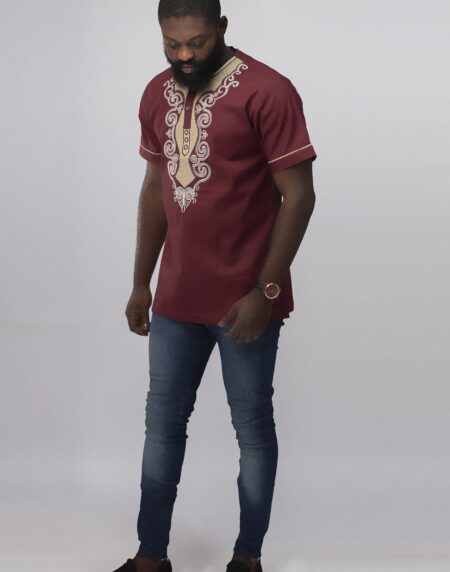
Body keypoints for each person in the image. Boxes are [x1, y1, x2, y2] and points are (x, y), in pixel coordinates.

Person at [116, 1, 317, 571]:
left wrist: (266, 292)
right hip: (176, 300)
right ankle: (150, 557)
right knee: (162, 426)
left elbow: (299, 196)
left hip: (245, 304)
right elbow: (155, 188)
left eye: (197, 43)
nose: (184, 55)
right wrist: (140, 282)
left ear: (222, 28)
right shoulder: (156, 93)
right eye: (172, 44)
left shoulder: (268, 91)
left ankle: (247, 558)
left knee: (251, 428)